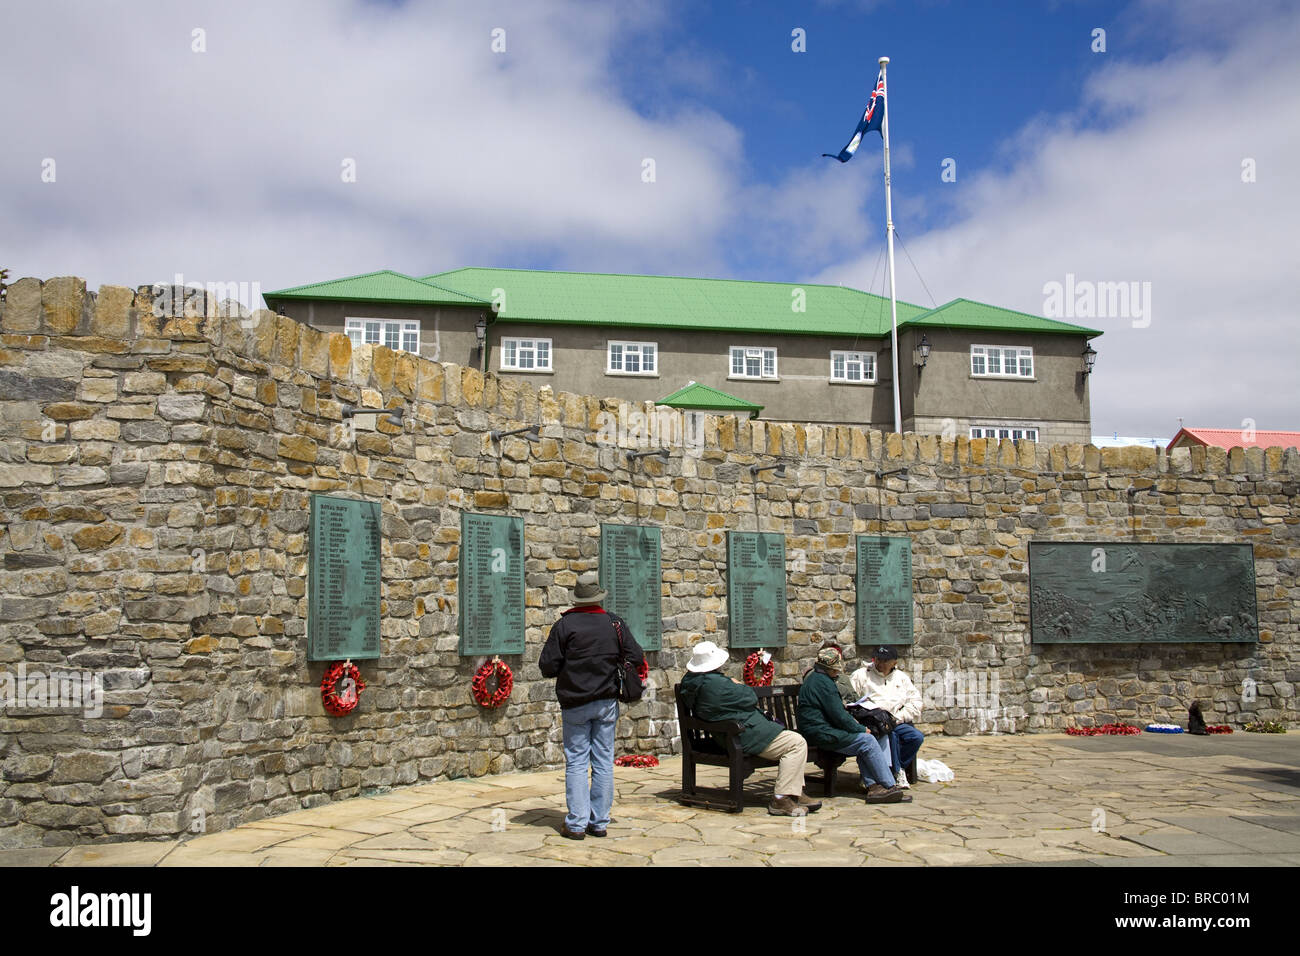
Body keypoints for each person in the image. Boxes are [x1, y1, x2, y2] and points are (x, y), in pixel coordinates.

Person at [539, 571, 646, 840]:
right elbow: (636, 655)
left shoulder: (564, 626)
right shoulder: (613, 623)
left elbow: (547, 666)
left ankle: (576, 823)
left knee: (576, 763)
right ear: (598, 597)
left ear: (576, 599)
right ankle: (598, 821)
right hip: (606, 701)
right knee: (603, 762)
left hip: (575, 702)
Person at [676, 641, 822, 817]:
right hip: (742, 735)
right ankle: (781, 798)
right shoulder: (717, 685)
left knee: (793, 740)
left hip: (729, 733)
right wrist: (737, 684)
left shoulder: (691, 682)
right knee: (796, 743)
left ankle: (795, 792)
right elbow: (750, 698)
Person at [798, 646, 909, 803]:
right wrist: (861, 728)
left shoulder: (817, 679)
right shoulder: (824, 684)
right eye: (835, 670)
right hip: (820, 734)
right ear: (828, 668)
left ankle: (874, 787)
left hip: (820, 730)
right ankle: (889, 785)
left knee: (866, 740)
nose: (837, 673)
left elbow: (837, 714)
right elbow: (839, 716)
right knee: (867, 740)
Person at [850, 646, 924, 788]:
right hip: (873, 721)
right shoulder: (861, 675)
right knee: (890, 735)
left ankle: (897, 768)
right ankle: (894, 772)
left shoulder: (901, 678)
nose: (880, 663)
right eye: (878, 659)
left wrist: (899, 717)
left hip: (896, 719)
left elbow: (916, 702)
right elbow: (851, 700)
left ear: (894, 663)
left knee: (916, 737)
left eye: (885, 660)